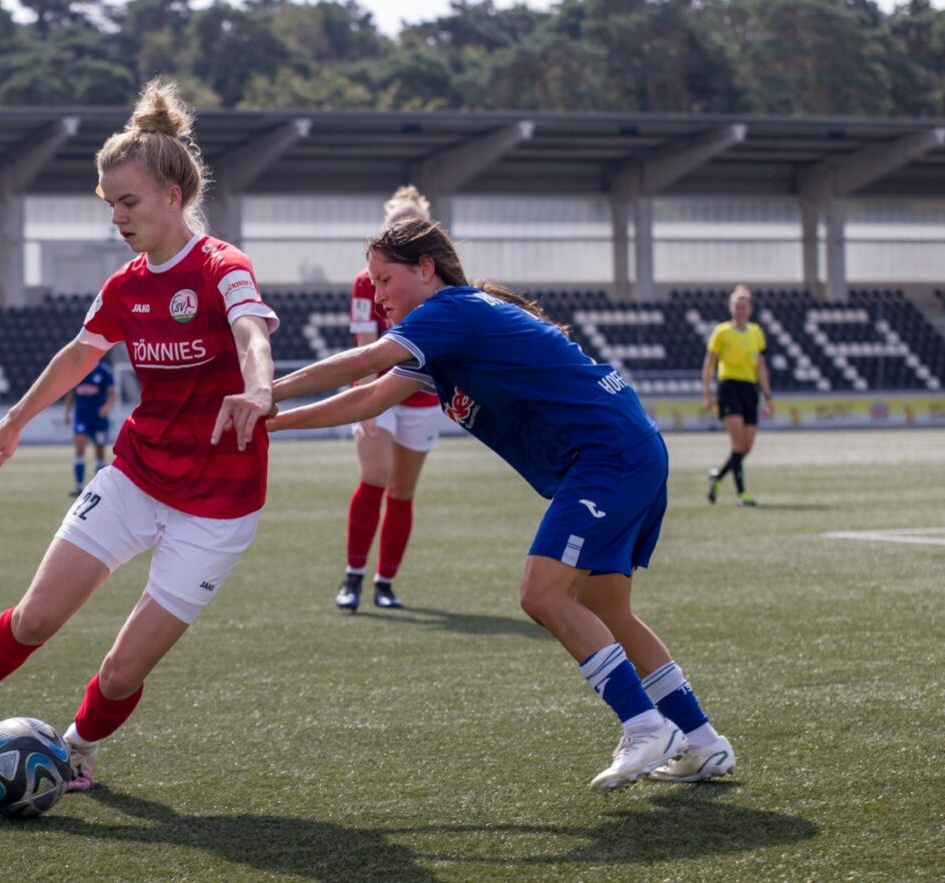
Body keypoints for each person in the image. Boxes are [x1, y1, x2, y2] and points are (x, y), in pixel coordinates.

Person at [0, 79, 277, 792]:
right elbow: (80, 352)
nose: (117, 218)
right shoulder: (125, 285)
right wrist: (15, 418)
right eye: (109, 205)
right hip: (136, 475)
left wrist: (258, 383)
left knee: (124, 669)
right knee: (34, 617)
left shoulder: (222, 265)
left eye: (129, 202)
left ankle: (75, 748)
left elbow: (251, 330)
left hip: (219, 504)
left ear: (173, 197)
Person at [268, 217, 734, 793]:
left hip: (607, 456)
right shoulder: (446, 331)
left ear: (425, 269)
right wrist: (271, 423)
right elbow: (369, 397)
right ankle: (702, 741)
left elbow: (362, 365)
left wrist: (267, 391)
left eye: (384, 280)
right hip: (627, 449)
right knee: (607, 610)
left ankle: (644, 726)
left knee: (541, 593)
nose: (377, 294)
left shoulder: (449, 312)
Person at [337, 185, 447, 612]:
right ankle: (353, 578)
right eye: (394, 224)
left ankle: (385, 584)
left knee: (402, 491)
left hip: (420, 394)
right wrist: (363, 395)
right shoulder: (367, 281)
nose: (401, 229)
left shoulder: (434, 280)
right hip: (379, 390)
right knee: (375, 477)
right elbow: (365, 342)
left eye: (410, 224)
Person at [702, 285, 772, 507]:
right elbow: (709, 364)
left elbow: (761, 366)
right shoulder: (722, 332)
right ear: (731, 308)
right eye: (736, 306)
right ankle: (742, 494)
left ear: (750, 309)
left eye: (744, 306)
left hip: (749, 390)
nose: (740, 310)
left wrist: (767, 395)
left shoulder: (756, 333)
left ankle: (717, 477)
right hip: (729, 388)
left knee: (747, 446)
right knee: (738, 442)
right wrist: (707, 392)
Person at [61, 353, 118, 496]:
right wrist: (67, 413)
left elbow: (113, 393)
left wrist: (107, 407)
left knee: (100, 454)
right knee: (79, 450)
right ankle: (79, 487)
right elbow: (71, 394)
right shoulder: (78, 371)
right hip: (82, 418)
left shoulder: (104, 371)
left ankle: (99, 489)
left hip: (98, 419)